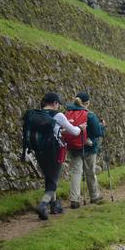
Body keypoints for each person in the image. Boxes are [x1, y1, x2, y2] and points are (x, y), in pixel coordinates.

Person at [22, 92, 85, 220]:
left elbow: (53, 130)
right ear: (55, 103)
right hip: (54, 151)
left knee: (48, 178)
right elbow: (74, 131)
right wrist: (81, 127)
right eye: (58, 104)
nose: (58, 106)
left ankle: (53, 206)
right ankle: (43, 205)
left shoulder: (36, 115)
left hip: (38, 151)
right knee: (53, 183)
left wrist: (61, 130)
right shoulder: (58, 115)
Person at [64, 92, 105, 209]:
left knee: (76, 172)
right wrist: (102, 126)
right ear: (87, 103)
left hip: (73, 147)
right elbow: (98, 133)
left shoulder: (67, 112)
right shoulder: (90, 115)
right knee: (90, 171)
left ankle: (74, 199)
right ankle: (94, 196)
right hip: (89, 148)